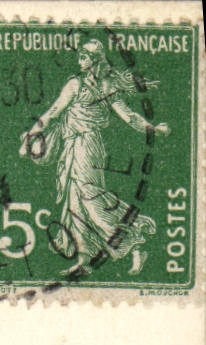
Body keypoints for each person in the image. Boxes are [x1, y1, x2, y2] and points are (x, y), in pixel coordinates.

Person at [20, 38, 169, 274]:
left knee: (90, 198)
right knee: (74, 201)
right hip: (73, 146)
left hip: (88, 146)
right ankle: (83, 258)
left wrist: (153, 129)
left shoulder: (103, 86)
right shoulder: (75, 84)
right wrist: (33, 133)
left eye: (85, 56)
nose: (80, 60)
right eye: (80, 56)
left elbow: (128, 116)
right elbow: (54, 112)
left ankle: (134, 243)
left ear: (95, 60)